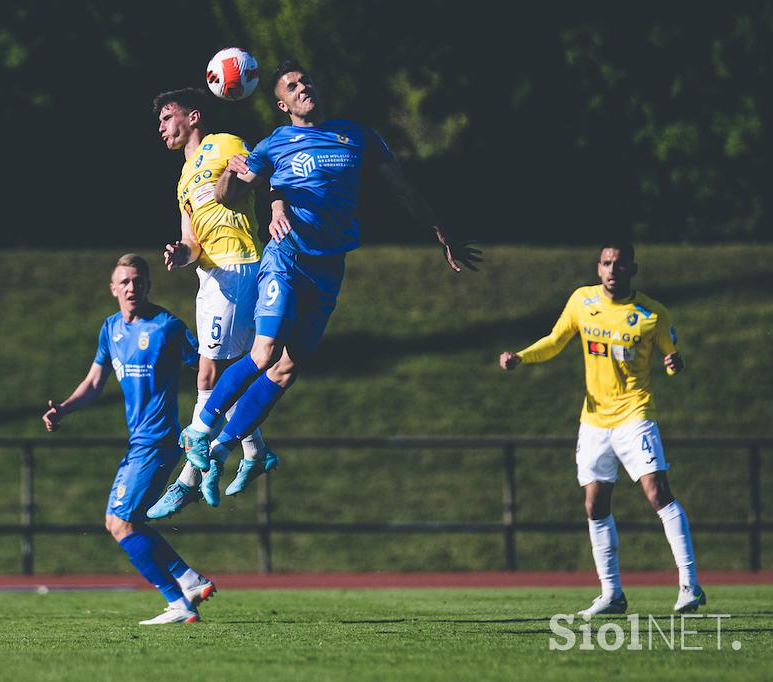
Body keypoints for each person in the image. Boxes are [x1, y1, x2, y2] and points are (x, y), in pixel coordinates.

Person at [178, 59, 481, 478]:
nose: (303, 88)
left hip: (329, 266)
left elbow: (403, 188)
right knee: (264, 353)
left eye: (307, 81)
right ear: (282, 104)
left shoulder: (357, 137)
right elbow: (230, 197)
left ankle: (223, 448)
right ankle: (199, 429)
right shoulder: (273, 144)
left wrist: (439, 231)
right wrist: (232, 175)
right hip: (285, 258)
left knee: (286, 370)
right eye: (292, 87)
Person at [499, 242, 704, 616]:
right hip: (594, 421)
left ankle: (689, 583)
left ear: (632, 270)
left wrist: (674, 363)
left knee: (657, 492)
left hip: (635, 414)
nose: (613, 270)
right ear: (598, 268)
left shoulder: (651, 314)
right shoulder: (582, 301)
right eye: (607, 263)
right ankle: (612, 593)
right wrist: (521, 358)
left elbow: (672, 360)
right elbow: (556, 341)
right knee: (595, 504)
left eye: (620, 264)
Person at [41, 254, 214, 625]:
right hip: (139, 442)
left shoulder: (167, 326)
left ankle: (179, 602)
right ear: (113, 289)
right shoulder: (111, 329)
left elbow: (206, 366)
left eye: (138, 281)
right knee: (126, 522)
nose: (132, 288)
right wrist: (64, 409)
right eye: (125, 282)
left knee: (120, 523)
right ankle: (190, 581)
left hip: (159, 440)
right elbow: (93, 383)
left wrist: (208, 419)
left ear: (149, 286)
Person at [147, 87, 278, 515]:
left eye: (168, 117)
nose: (162, 126)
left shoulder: (224, 143)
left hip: (239, 265)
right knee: (229, 371)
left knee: (209, 369)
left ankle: (190, 473)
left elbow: (260, 174)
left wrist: (275, 207)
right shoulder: (182, 179)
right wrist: (179, 254)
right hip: (210, 276)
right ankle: (255, 452)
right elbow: (191, 241)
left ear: (193, 117)